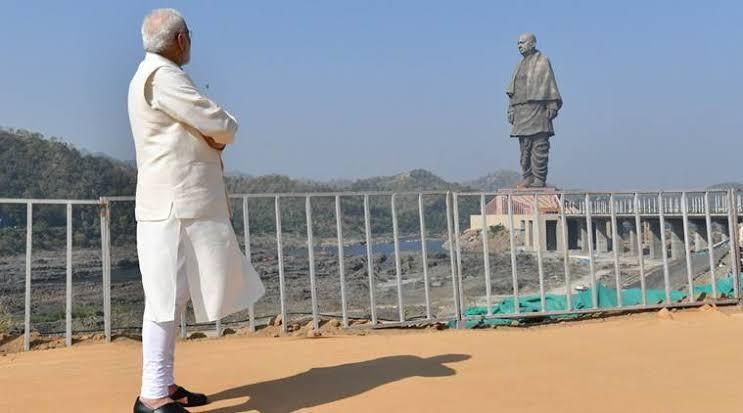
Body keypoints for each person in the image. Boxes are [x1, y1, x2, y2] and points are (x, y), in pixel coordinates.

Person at [128, 9, 265, 413]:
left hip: (173, 205)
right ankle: (152, 395)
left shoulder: (148, 75)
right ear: (181, 40)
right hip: (173, 207)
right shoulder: (164, 77)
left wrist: (212, 135)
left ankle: (162, 385)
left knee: (174, 296)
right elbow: (217, 122)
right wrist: (222, 132)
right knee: (164, 298)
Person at [506, 33, 562, 188]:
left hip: (538, 109)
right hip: (521, 110)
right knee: (524, 147)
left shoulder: (542, 61)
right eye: (518, 43)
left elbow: (549, 84)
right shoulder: (518, 65)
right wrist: (511, 109)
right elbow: (512, 91)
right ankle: (527, 176)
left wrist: (552, 105)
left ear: (532, 43)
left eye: (522, 42)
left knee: (539, 145)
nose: (519, 45)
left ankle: (539, 178)